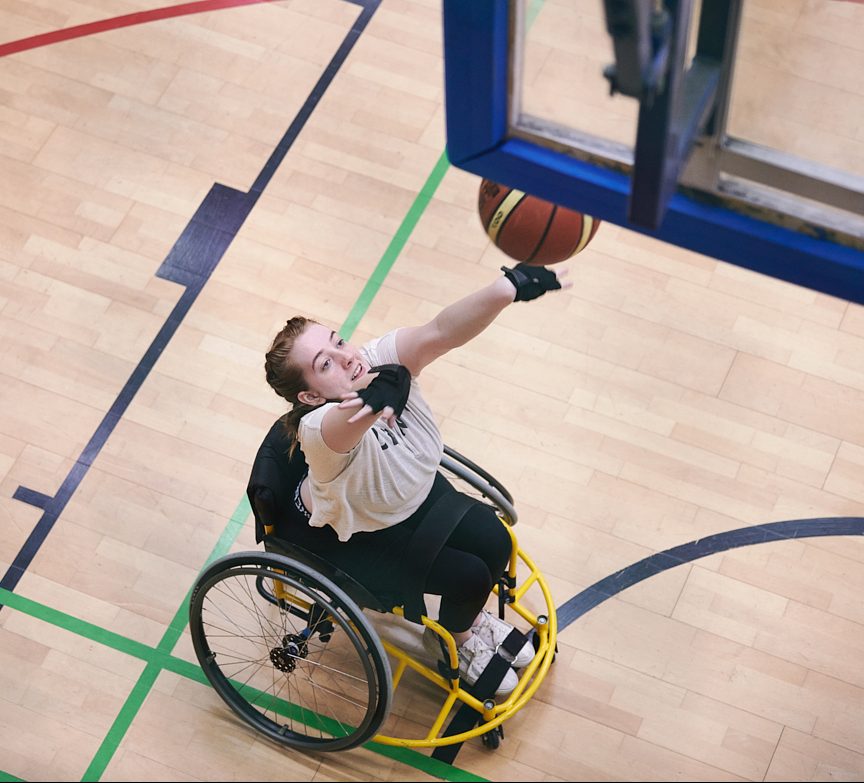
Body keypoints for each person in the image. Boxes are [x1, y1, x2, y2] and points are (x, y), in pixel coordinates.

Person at [263, 262, 569, 696]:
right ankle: (456, 642)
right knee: (469, 579)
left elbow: (441, 330)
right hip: (356, 536)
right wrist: (374, 397)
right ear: (310, 396)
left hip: (407, 500)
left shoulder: (375, 361)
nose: (347, 357)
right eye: (325, 363)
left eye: (339, 341)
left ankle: (472, 620)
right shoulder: (321, 429)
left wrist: (509, 288)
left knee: (496, 542)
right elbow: (347, 421)